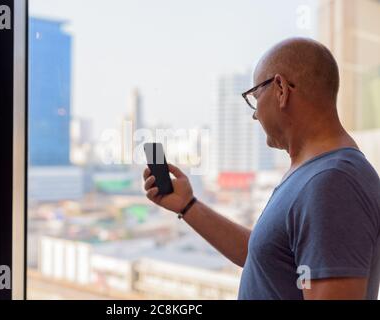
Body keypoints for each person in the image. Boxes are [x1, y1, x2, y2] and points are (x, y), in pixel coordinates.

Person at [142, 37, 380, 300]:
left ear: (280, 89)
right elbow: (266, 258)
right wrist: (188, 206)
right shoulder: (314, 174)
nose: (255, 114)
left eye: (255, 97)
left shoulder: (333, 183)